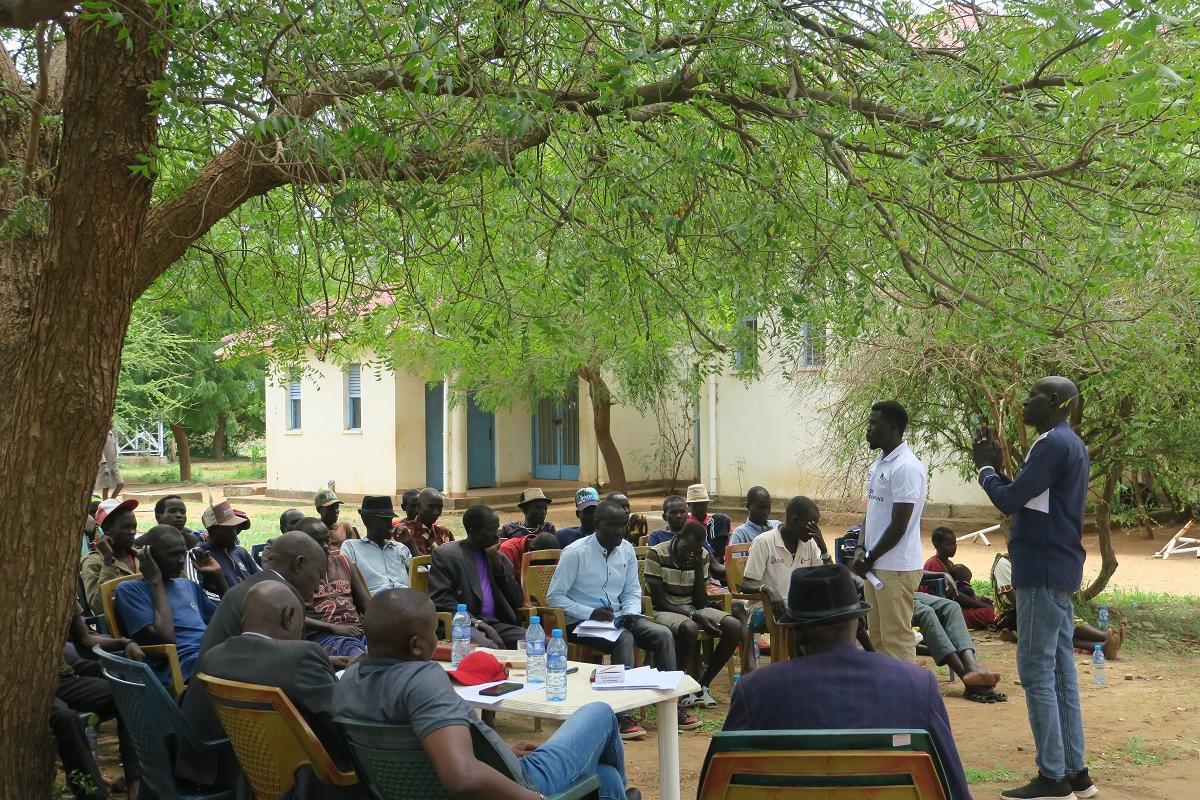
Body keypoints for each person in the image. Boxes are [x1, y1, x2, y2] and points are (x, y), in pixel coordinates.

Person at [334, 588, 639, 800]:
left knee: (606, 777)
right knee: (599, 712)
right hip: (519, 784)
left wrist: (498, 752)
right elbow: (461, 776)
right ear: (416, 645)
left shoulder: (349, 680)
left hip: (437, 786)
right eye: (434, 633)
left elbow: (418, 752)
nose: (439, 640)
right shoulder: (421, 679)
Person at [724, 565, 972, 800]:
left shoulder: (754, 690)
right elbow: (954, 788)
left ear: (795, 632)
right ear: (861, 623)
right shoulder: (917, 684)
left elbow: (722, 782)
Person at [974, 376, 1095, 800]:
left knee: (1036, 669)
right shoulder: (1067, 443)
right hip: (1056, 566)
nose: (1025, 402)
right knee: (1059, 671)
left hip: (1041, 568)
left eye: (1033, 396)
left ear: (1055, 401)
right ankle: (1075, 773)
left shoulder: (1052, 444)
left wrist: (985, 469)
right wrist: (998, 471)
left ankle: (1052, 776)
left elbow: (1008, 501)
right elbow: (1026, 496)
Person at [177, 531, 330, 787]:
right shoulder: (284, 599)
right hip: (235, 756)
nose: (320, 586)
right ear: (299, 563)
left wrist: (329, 660)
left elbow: (262, 658)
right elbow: (292, 671)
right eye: (319, 574)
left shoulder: (250, 589)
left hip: (200, 742)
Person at [196, 581, 363, 799]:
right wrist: (358, 677)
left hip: (259, 781)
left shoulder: (213, 659)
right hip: (322, 784)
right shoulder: (303, 657)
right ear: (289, 616)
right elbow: (345, 727)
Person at [547, 500, 695, 737]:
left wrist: (629, 612)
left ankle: (670, 706)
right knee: (624, 638)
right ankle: (621, 714)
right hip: (582, 623)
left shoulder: (626, 549)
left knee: (663, 634)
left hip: (617, 618)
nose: (619, 531)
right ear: (597, 524)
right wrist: (590, 612)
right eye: (612, 525)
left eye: (622, 525)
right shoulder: (575, 553)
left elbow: (632, 590)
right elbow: (554, 597)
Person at [852, 400, 927, 661]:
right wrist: (860, 548)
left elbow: (898, 526)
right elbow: (872, 512)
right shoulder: (880, 462)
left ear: (893, 428)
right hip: (875, 565)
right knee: (878, 638)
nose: (868, 429)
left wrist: (869, 557)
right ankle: (885, 686)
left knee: (896, 639)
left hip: (896, 568)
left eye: (874, 424)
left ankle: (905, 687)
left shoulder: (906, 467)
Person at [644, 521, 748, 705]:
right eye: (686, 549)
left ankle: (702, 684)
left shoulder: (702, 555)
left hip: (693, 607)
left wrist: (698, 567)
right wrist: (693, 616)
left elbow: (700, 603)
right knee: (690, 627)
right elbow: (659, 601)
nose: (689, 555)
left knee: (734, 626)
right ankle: (679, 685)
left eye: (695, 551)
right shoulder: (656, 553)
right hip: (663, 609)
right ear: (678, 538)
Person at [56, 608, 145, 799]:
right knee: (64, 717)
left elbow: (85, 640)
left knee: (127, 694)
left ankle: (136, 784)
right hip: (24, 687)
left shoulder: (63, 596)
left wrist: (125, 642)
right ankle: (92, 794)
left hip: (62, 679)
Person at [113, 525, 217, 684]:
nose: (181, 560)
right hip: (184, 665)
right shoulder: (130, 591)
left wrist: (218, 576)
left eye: (183, 553)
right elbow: (166, 638)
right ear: (150, 555)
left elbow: (225, 621)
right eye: (173, 555)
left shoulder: (187, 585)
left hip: (213, 652)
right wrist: (156, 581)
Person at [429, 505, 528, 649]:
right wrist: (477, 623)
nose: (497, 535)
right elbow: (441, 601)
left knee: (541, 643)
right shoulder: (446, 556)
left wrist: (498, 567)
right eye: (491, 530)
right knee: (489, 648)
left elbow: (517, 600)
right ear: (473, 532)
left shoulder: (498, 557)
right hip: (464, 625)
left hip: (496, 624)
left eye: (497, 528)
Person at [739, 496, 830, 634]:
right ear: (795, 520)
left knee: (831, 609)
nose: (814, 531)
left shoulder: (809, 544)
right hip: (763, 609)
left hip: (797, 607)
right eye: (811, 525)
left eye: (816, 526)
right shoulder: (763, 542)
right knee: (802, 615)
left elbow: (827, 579)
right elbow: (745, 585)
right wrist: (767, 589)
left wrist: (823, 549)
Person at [912, 592, 1005, 702]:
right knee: (925, 613)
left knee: (952, 607)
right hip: (892, 598)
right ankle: (971, 683)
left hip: (907, 591)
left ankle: (973, 668)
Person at [298, 517, 371, 657]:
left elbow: (367, 606)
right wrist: (333, 628)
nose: (326, 546)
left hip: (357, 630)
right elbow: (295, 616)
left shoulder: (343, 562)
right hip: (324, 636)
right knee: (355, 653)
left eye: (327, 540)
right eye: (317, 542)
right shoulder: (297, 572)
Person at [340, 495, 412, 594]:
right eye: (384, 520)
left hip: (407, 598)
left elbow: (422, 574)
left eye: (390, 520)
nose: (390, 525)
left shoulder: (400, 548)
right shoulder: (351, 547)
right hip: (376, 600)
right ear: (366, 520)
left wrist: (411, 543)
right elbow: (348, 583)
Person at [80, 498, 140, 612]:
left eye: (134, 526)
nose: (133, 531)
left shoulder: (142, 556)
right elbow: (98, 607)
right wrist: (108, 562)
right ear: (107, 529)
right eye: (126, 527)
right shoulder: (93, 561)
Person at [648, 495, 725, 580]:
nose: (679, 515)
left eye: (682, 512)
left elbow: (714, 565)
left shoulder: (695, 534)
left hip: (695, 581)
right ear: (664, 517)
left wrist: (735, 569)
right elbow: (652, 564)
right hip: (666, 580)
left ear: (687, 514)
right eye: (673, 512)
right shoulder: (657, 536)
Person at [194, 501, 256, 595]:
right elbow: (196, 594)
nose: (234, 534)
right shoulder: (198, 555)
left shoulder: (240, 552)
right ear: (212, 529)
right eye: (228, 530)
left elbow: (261, 578)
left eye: (234, 528)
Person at [394, 487, 455, 556]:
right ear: (418, 506)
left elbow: (453, 558)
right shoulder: (402, 532)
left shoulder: (444, 532)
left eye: (440, 507)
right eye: (431, 507)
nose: (436, 512)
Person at [684, 484, 733, 562]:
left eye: (702, 504)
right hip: (696, 559)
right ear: (689, 505)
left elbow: (730, 543)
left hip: (718, 558)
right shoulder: (685, 522)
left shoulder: (717, 521)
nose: (699, 508)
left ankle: (715, 562)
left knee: (722, 518)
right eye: (696, 505)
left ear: (707, 504)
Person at [96, 430, 124, 499]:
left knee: (120, 484)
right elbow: (100, 450)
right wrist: (104, 464)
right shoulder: (102, 434)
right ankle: (106, 503)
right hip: (105, 465)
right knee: (106, 486)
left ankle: (111, 501)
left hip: (113, 464)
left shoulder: (111, 434)